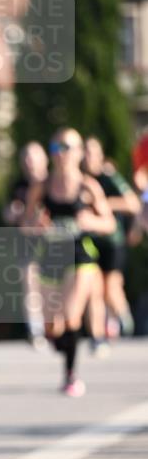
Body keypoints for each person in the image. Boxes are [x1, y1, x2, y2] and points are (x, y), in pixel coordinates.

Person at [22, 128, 115, 396]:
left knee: (72, 314)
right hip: (51, 256)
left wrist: (91, 222)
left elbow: (108, 223)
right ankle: (66, 347)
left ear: (79, 153)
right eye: (56, 148)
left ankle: (71, 375)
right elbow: (25, 224)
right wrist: (35, 225)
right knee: (53, 327)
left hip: (80, 256)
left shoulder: (88, 186)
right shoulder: (42, 187)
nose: (61, 154)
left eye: (67, 148)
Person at [82, 137, 140, 343]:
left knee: (111, 286)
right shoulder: (80, 179)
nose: (88, 157)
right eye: (85, 152)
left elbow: (132, 203)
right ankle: (98, 336)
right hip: (90, 241)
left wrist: (102, 202)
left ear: (100, 155)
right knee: (93, 287)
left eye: (92, 152)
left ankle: (123, 319)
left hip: (113, 241)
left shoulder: (109, 177)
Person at [3, 142, 48, 348]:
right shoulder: (18, 185)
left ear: (44, 159)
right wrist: (14, 213)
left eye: (33, 157)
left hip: (53, 242)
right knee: (29, 282)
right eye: (26, 158)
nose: (29, 162)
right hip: (27, 240)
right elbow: (8, 213)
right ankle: (35, 329)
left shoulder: (52, 183)